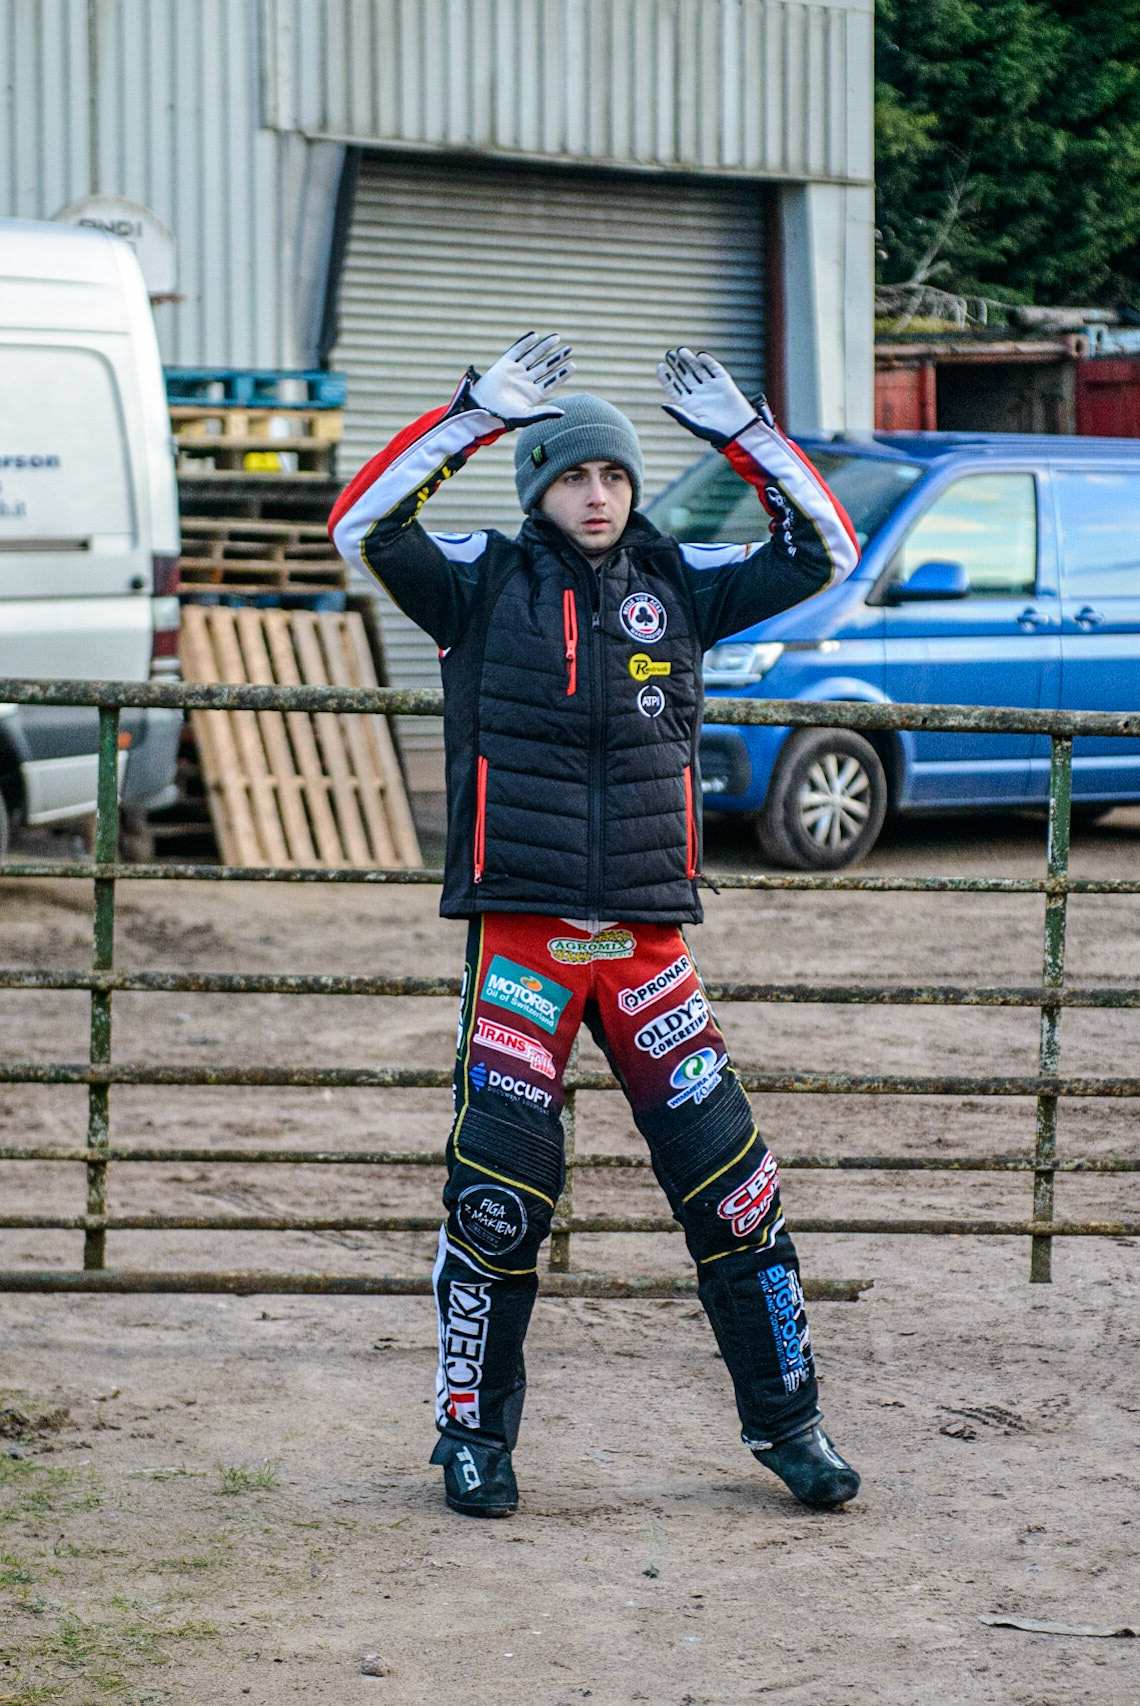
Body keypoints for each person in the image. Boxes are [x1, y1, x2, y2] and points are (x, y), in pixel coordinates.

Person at [330, 334, 862, 1518]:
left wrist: (747, 436)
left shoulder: (680, 580)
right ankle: (472, 1438)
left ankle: (793, 1427)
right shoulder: (473, 580)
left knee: (735, 1192)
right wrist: (473, 415)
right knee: (498, 1200)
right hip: (523, 943)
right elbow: (362, 524)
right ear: (538, 487)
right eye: (574, 473)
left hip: (646, 948)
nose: (598, 493)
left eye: (614, 473)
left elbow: (827, 549)